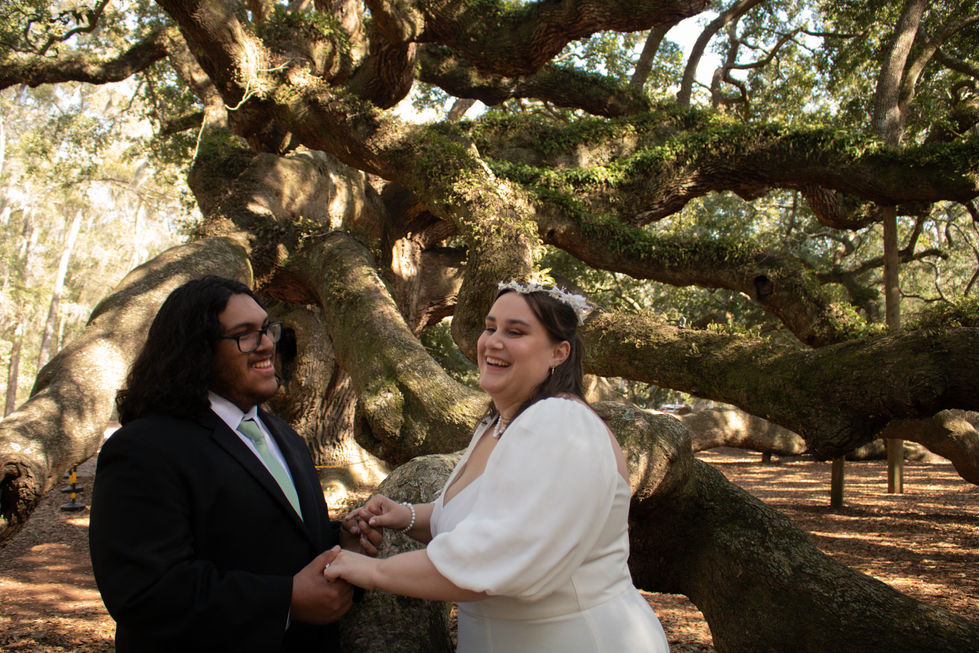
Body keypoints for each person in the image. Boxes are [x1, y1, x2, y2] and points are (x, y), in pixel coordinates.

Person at [325, 280, 670, 652]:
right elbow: (488, 518)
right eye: (490, 327)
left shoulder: (560, 423)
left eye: (515, 331)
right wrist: (404, 516)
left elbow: (496, 551)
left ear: (559, 353)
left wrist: (371, 571)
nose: (492, 341)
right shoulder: (497, 425)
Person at [89, 275, 380, 652]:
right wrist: (286, 600)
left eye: (266, 329)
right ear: (196, 350)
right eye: (245, 334)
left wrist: (339, 538)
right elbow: (145, 591)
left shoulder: (283, 436)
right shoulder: (143, 449)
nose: (267, 345)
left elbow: (263, 538)